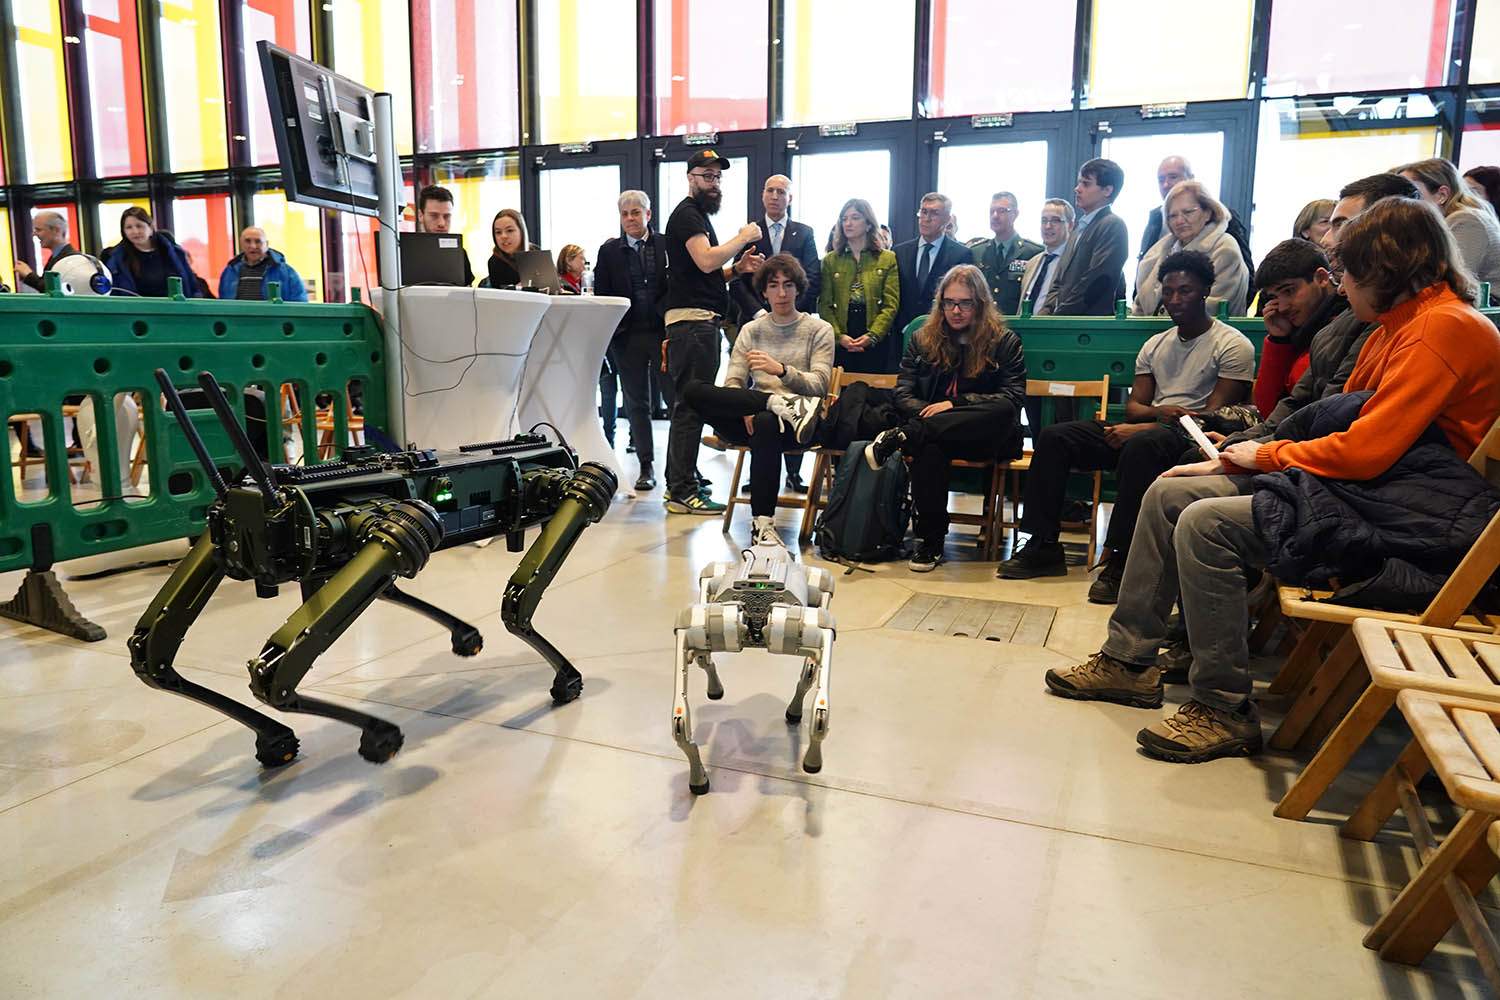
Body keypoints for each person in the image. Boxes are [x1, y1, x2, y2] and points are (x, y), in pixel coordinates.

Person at [1043, 196, 1500, 764]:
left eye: (1346, 271)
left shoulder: (1442, 329)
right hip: (1374, 492)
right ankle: (1129, 661)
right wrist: (1240, 457)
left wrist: (1254, 458)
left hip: (1412, 517)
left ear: (1383, 271)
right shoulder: (1395, 326)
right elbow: (1334, 422)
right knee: (1168, 492)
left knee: (1206, 523)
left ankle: (1223, 707)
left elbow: (1365, 451)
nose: (1340, 284)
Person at [1000, 250, 1255, 604]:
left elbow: (1209, 421)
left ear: (1206, 291)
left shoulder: (1232, 345)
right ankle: (1043, 545)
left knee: (1140, 446)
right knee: (1055, 436)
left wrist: (1150, 423)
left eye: (1186, 291)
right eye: (1168, 291)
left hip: (1192, 442)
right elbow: (1135, 408)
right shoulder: (1156, 344)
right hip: (1156, 426)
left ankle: (1121, 560)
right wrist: (1159, 414)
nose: (1175, 300)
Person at [864, 264, 1027, 572]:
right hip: (935, 432)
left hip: (985, 435)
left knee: (1000, 410)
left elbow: (1013, 398)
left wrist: (955, 404)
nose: (956, 310)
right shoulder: (923, 339)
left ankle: (903, 435)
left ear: (979, 304)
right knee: (930, 447)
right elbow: (903, 393)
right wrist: (928, 413)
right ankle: (930, 541)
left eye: (965, 303)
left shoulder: (1004, 341)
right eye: (949, 302)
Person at [680, 254, 832, 547]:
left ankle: (763, 523)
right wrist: (748, 404)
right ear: (763, 291)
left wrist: (782, 371)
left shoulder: (818, 329)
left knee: (765, 421)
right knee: (692, 391)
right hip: (751, 416)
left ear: (798, 289)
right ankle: (769, 402)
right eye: (774, 286)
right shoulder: (751, 330)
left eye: (788, 285)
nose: (782, 293)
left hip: (799, 422)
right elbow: (733, 381)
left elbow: (819, 385)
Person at [661, 149, 764, 515]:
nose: (713, 183)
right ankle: (681, 490)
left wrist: (737, 269)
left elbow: (702, 272)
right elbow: (706, 259)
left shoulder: (697, 216)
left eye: (717, 177)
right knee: (690, 406)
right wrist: (742, 237)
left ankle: (682, 480)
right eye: (706, 176)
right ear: (690, 178)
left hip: (697, 322)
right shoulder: (688, 215)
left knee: (689, 405)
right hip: (692, 326)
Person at [728, 174, 825, 492]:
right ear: (762, 195)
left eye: (781, 191)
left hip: (795, 324)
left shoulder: (804, 232)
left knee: (794, 389)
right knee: (759, 389)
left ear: (789, 199)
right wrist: (762, 313)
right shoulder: (749, 231)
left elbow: (810, 275)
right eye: (769, 190)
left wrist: (790, 310)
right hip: (756, 320)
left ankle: (794, 472)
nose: (774, 196)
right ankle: (759, 468)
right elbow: (738, 280)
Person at [595, 191, 670, 492]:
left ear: (648, 215)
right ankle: (646, 466)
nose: (630, 219)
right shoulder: (609, 251)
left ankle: (682, 470)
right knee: (636, 404)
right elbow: (603, 294)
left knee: (675, 401)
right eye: (625, 214)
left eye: (635, 212)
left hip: (663, 334)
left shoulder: (666, 244)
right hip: (628, 337)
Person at [1249, 239, 1340, 420]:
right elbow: (1267, 411)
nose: (1281, 307)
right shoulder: (1299, 331)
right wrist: (1278, 340)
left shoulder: (1344, 324)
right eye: (1274, 297)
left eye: (1289, 291)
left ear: (1321, 278)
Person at [1136, 155, 1256, 287]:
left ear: (1191, 178)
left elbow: (1246, 275)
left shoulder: (1223, 219)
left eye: (1173, 177)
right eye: (1161, 180)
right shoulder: (1156, 218)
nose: (1166, 184)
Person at [1134, 180, 1250, 316]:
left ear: (1207, 212)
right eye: (1172, 216)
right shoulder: (1159, 251)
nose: (1179, 221)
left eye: (1188, 212)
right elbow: (1140, 304)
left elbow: (1213, 308)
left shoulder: (1225, 248)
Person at [1398, 157, 1500, 302]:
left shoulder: (1466, 219)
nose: (1400, 201)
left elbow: (1451, 282)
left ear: (1442, 195)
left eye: (1410, 193)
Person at [818, 198, 900, 374]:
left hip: (875, 334)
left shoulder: (887, 258)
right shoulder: (830, 260)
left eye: (855, 217)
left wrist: (873, 335)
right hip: (842, 333)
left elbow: (890, 305)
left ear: (868, 224)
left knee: (873, 393)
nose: (848, 223)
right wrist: (839, 337)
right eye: (844, 218)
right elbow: (824, 304)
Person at [1039, 159, 1129, 316]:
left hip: (1088, 326)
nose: (1077, 189)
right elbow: (1059, 281)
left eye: (1085, 184)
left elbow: (1096, 281)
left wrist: (1060, 315)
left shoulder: (1112, 224)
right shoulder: (1078, 229)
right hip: (1062, 323)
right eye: (1078, 183)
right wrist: (1046, 312)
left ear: (1107, 190)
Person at [893, 193, 973, 341]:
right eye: (923, 212)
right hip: (902, 335)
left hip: (944, 336)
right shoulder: (899, 252)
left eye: (934, 213)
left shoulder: (961, 254)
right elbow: (894, 296)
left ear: (948, 219)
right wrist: (905, 327)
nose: (926, 219)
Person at [968, 191, 1043, 314]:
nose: (995, 216)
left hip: (1016, 326)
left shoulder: (1033, 252)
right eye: (992, 211)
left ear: (1015, 214)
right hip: (982, 325)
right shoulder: (976, 252)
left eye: (1002, 211)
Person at [103, 207, 202, 298]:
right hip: (137, 313)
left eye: (139, 226)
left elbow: (192, 285)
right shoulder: (116, 259)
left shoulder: (175, 253)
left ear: (150, 228)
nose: (135, 231)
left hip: (175, 311)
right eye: (129, 227)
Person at [218, 226, 308, 301]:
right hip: (236, 321)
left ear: (267, 244)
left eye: (258, 241)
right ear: (241, 243)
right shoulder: (230, 271)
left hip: (274, 322)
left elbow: (300, 302)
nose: (253, 246)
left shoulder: (287, 272)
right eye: (248, 241)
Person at [1018, 199, 1073, 313]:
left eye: (1055, 220)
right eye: (1044, 221)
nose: (1048, 226)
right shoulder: (1032, 263)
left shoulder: (1074, 261)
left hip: (1054, 328)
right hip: (1023, 328)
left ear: (1070, 225)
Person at [415, 185, 474, 286]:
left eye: (447, 216)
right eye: (434, 216)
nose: (442, 223)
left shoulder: (459, 253)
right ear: (421, 215)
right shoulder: (406, 252)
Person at [16, 211, 78, 292]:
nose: (34, 234)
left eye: (38, 230)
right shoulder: (56, 256)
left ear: (56, 230)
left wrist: (29, 275)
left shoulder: (70, 259)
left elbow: (54, 290)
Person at [487, 208, 538, 288]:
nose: (503, 236)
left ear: (521, 231)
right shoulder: (495, 262)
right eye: (498, 232)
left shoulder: (536, 252)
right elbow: (499, 296)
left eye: (510, 230)